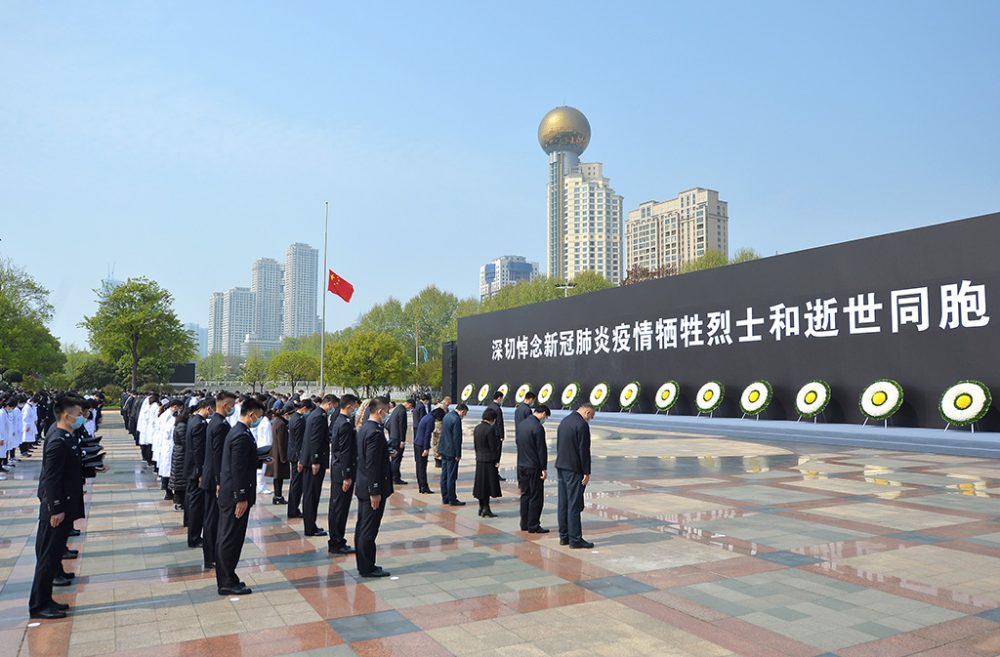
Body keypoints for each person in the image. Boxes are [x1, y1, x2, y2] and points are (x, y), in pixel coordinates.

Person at [29, 395, 82, 619]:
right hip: (56, 510)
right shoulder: (57, 441)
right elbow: (50, 479)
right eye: (78, 414)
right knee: (48, 558)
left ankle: (47, 599)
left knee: (52, 556)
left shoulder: (64, 437)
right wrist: (56, 508)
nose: (81, 418)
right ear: (67, 415)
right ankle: (39, 605)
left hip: (63, 506)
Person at [216, 397, 266, 595]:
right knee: (230, 538)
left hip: (233, 492)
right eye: (259, 416)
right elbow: (237, 469)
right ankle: (226, 581)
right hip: (235, 495)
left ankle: (229, 576)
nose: (259, 420)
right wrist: (241, 497)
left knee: (230, 536)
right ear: (252, 414)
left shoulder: (239, 431)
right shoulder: (240, 435)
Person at [354, 397, 394, 577]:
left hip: (363, 485)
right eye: (387, 411)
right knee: (368, 529)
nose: (388, 414)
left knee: (363, 526)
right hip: (371, 488)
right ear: (380, 411)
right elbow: (371, 464)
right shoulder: (375, 433)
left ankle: (364, 564)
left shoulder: (365, 429)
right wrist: (375, 490)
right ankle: (367, 567)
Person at [201, 391, 237, 569]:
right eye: (232, 405)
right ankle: (211, 557)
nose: (234, 408)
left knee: (211, 518)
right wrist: (218, 481)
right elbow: (218, 456)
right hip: (214, 478)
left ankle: (211, 555)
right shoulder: (220, 425)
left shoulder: (216, 421)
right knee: (212, 519)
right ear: (225, 405)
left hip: (211, 476)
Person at [556, 403, 595, 549]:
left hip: (562, 466)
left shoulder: (564, 421)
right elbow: (583, 450)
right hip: (574, 469)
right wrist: (586, 471)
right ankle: (575, 539)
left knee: (563, 503)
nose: (590, 419)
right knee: (574, 504)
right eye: (591, 416)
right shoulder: (581, 425)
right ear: (587, 411)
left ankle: (564, 536)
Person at [302, 394, 339, 537]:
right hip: (313, 462)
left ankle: (310, 524)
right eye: (333, 407)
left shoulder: (315, 413)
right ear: (329, 404)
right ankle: (310, 527)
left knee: (311, 494)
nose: (333, 410)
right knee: (312, 495)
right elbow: (315, 441)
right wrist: (316, 461)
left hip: (310, 460)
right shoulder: (319, 416)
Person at [328, 394, 359, 555]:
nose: (356, 409)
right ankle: (336, 542)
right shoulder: (345, 424)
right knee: (339, 509)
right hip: (342, 472)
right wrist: (347, 475)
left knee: (337, 507)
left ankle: (336, 539)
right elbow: (345, 452)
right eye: (355, 406)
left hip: (337, 470)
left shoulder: (338, 421)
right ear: (349, 406)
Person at [184, 397, 214, 548]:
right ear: (208, 408)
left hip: (191, 469)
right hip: (196, 471)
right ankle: (194, 537)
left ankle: (193, 534)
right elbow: (198, 451)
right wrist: (201, 471)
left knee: (193, 503)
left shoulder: (193, 420)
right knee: (196, 505)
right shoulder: (199, 424)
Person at [516, 404, 551, 533]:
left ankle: (524, 523)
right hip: (533, 466)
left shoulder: (522, 425)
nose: (544, 419)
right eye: (545, 417)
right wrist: (543, 467)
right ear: (542, 414)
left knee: (525, 495)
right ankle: (533, 525)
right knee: (536, 496)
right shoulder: (538, 428)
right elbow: (541, 449)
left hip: (522, 464)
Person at [472, 408, 501, 518]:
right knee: (488, 485)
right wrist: (496, 460)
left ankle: (481, 507)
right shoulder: (490, 429)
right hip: (489, 460)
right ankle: (486, 508)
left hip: (480, 459)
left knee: (480, 485)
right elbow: (493, 447)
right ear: (492, 419)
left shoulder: (477, 428)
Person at [286, 399, 311, 519]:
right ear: (305, 408)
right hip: (297, 456)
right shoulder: (299, 420)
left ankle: (293, 508)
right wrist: (300, 459)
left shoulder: (294, 417)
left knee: (295, 483)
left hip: (293, 454)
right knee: (296, 484)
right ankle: (293, 509)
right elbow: (299, 442)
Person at [439, 403, 468, 506]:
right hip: (451, 451)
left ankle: (445, 497)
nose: (464, 415)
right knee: (451, 476)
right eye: (465, 413)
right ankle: (452, 498)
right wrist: (458, 453)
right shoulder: (456, 420)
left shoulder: (447, 416)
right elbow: (457, 438)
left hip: (444, 449)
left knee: (444, 475)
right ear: (462, 411)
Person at [413, 407, 442, 494]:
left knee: (419, 466)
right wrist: (426, 448)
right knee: (422, 467)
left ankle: (421, 486)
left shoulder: (427, 416)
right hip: (422, 445)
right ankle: (424, 486)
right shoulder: (430, 420)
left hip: (417, 443)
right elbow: (427, 435)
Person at [266, 405, 291, 505]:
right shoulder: (281, 424)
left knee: (277, 477)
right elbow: (281, 442)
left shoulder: (276, 422)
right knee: (278, 477)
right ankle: (278, 496)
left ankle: (277, 496)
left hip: (275, 453)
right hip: (279, 455)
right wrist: (284, 457)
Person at [386, 398, 412, 485]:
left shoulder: (396, 409)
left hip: (393, 437)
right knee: (397, 459)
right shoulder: (402, 411)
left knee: (394, 458)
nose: (409, 408)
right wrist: (402, 440)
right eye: (410, 407)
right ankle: (396, 478)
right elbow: (402, 427)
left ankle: (393, 476)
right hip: (397, 439)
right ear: (409, 404)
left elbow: (388, 424)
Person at [486, 392, 506, 481]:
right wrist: (502, 435)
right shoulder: (497, 409)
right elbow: (499, 423)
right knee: (497, 454)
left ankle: (490, 472)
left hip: (489, 433)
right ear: (498, 398)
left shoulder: (489, 407)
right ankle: (495, 473)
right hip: (496, 435)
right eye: (501, 398)